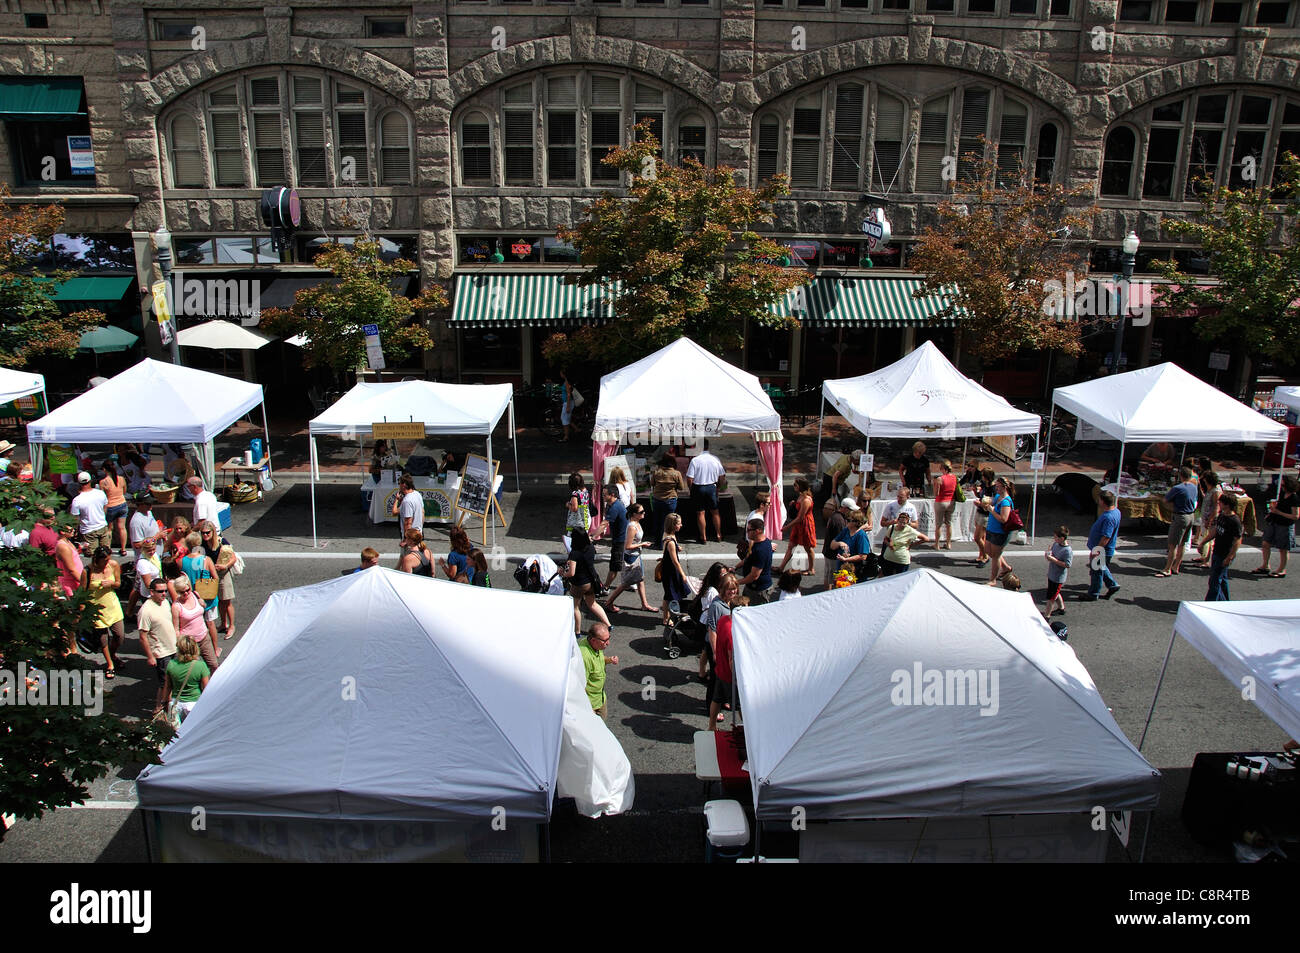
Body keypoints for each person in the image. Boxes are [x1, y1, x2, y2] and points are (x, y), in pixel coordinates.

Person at [138, 575, 179, 715]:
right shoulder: (146, 610)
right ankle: (159, 708)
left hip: (173, 647)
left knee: (172, 681)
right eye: (160, 591)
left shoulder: (165, 603)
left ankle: (168, 706)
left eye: (165, 591)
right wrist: (150, 657)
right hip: (162, 652)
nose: (164, 594)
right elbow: (142, 636)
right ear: (152, 592)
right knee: (165, 683)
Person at [603, 503, 655, 614]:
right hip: (631, 558)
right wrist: (642, 544)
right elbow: (628, 546)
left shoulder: (637, 523)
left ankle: (644, 605)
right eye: (641, 512)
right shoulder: (632, 526)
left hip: (636, 556)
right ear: (634, 514)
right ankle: (608, 603)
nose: (644, 513)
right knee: (626, 583)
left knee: (640, 580)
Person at [81, 547, 124, 677]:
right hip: (96, 608)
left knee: (119, 636)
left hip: (112, 606)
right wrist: (82, 611)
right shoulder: (87, 571)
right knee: (103, 639)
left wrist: (111, 583)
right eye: (105, 560)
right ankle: (110, 664)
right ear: (97, 559)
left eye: (109, 559)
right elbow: (82, 592)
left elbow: (118, 584)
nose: (107, 562)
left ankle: (112, 655)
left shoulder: (114, 565)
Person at [561, 529, 611, 635]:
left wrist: (562, 574)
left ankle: (577, 632)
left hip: (579, 583)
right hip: (591, 580)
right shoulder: (590, 548)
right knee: (592, 604)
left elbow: (571, 573)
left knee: (575, 607)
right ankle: (608, 624)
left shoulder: (575, 553)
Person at [1156, 467, 1200, 577]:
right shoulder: (1194, 487)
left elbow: (1165, 500)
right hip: (1191, 516)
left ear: (1181, 476)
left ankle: (1167, 569)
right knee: (1182, 544)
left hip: (1180, 517)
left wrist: (1172, 507)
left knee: (1173, 545)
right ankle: (1176, 566)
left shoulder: (1177, 488)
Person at [171, 575, 220, 673]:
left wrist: (203, 603)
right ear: (177, 592)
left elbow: (203, 609)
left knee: (214, 665)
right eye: (182, 592)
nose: (186, 593)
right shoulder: (176, 606)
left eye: (187, 590)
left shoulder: (195, 595)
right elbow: (176, 629)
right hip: (190, 643)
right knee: (195, 671)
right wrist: (180, 645)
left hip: (204, 637)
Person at [198, 520, 237, 640]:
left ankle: (231, 626)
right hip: (210, 575)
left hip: (223, 574)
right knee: (219, 600)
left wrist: (225, 566)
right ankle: (223, 623)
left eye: (207, 533)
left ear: (213, 532)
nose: (205, 535)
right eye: (203, 533)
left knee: (227, 600)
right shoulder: (202, 543)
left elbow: (233, 557)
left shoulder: (221, 541)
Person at [1253, 475, 1299, 578]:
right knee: (1265, 543)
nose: (1281, 486)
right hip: (1274, 522)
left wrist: (1279, 512)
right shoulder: (1283, 494)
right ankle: (1265, 565)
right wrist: (1273, 511)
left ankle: (1281, 569)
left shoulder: (1294, 498)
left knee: (1283, 549)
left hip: (1285, 525)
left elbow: (1295, 516)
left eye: (1283, 484)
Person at [1202, 493, 1242, 601]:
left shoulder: (1234, 521)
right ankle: (1224, 601)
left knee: (1214, 580)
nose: (1218, 503)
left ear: (1227, 505)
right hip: (1217, 551)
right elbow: (1215, 531)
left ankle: (1210, 603)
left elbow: (1237, 540)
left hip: (1225, 554)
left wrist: (1230, 557)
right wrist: (1203, 542)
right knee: (1222, 578)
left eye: (1221, 502)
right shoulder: (1222, 515)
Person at [1084, 489, 1122, 601]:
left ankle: (1093, 593)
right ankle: (1112, 585)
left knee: (1096, 572)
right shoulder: (1116, 512)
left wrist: (1097, 551)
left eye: (1099, 499)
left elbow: (1106, 536)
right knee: (1100, 568)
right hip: (1104, 549)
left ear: (1103, 502)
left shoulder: (1108, 517)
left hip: (1102, 549)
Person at [976, 476, 1014, 587]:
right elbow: (989, 502)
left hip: (1000, 532)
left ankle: (992, 580)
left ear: (1004, 487)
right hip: (991, 529)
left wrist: (992, 511)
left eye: (998, 486)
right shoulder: (998, 497)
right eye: (996, 486)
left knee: (996, 556)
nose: (996, 488)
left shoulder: (1006, 502)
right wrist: (982, 503)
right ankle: (1006, 568)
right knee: (989, 551)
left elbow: (1003, 519)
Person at [686, 440, 727, 544]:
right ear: (708, 447)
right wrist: (718, 487)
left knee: (700, 513)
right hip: (711, 487)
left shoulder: (695, 460)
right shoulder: (715, 459)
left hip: (698, 487)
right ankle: (719, 534)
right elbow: (722, 477)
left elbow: (689, 478)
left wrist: (692, 490)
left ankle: (703, 536)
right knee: (715, 512)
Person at [164, 635, 211, 724]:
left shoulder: (171, 664)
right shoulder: (201, 666)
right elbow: (206, 689)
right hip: (194, 704)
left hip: (176, 704)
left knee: (176, 731)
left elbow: (167, 686)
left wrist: (164, 702)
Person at [180, 531, 220, 630]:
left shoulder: (181, 561)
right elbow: (216, 578)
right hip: (207, 596)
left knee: (194, 624)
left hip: (191, 597)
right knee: (210, 624)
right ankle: (214, 646)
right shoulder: (206, 560)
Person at [777, 476, 817, 575]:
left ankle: (811, 569)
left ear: (800, 486)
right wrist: (794, 504)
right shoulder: (801, 496)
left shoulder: (806, 500)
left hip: (804, 525)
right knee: (791, 545)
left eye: (795, 484)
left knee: (808, 548)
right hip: (798, 525)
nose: (793, 486)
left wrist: (787, 527)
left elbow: (800, 518)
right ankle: (781, 568)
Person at [579, 623, 618, 719]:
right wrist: (588, 709)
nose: (608, 643)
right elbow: (580, 685)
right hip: (591, 705)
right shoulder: (584, 658)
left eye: (609, 638)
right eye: (605, 641)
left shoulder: (595, 645)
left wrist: (608, 660)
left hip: (600, 698)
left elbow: (598, 659)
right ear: (593, 640)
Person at [659, 513, 692, 623]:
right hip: (670, 571)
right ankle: (666, 618)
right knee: (669, 594)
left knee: (669, 593)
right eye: (679, 523)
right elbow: (675, 561)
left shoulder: (669, 535)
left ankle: (667, 613)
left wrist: (677, 547)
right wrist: (683, 574)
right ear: (673, 525)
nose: (681, 525)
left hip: (669, 568)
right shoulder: (671, 542)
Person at [648, 454, 686, 546]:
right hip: (670, 500)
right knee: (669, 523)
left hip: (657, 500)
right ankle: (667, 543)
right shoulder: (676, 473)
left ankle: (658, 543)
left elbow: (652, 483)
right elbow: (681, 487)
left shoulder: (657, 472)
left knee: (658, 521)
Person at [735, 517, 774, 605]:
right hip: (751, 587)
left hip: (759, 591)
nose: (746, 532)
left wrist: (737, 582)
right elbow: (748, 558)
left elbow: (754, 576)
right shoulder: (756, 543)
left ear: (758, 531)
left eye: (749, 530)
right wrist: (735, 567)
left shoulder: (761, 550)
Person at [69, 471, 110, 553]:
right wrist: (101, 517)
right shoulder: (100, 493)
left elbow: (75, 518)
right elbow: (105, 507)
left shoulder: (77, 500)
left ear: (79, 483)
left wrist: (76, 531)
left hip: (88, 530)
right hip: (102, 526)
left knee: (93, 555)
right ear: (90, 481)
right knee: (105, 554)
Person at [708, 614, 736, 731]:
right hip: (729, 676)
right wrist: (736, 678)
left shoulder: (724, 620)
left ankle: (712, 726)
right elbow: (731, 660)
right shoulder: (732, 632)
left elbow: (713, 630)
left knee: (716, 699)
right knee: (740, 707)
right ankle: (746, 732)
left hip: (720, 669)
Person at [1191, 469, 1223, 568]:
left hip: (1211, 519)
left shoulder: (1215, 491)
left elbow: (1216, 507)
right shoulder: (1210, 489)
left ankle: (1206, 560)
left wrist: (1210, 520)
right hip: (1206, 517)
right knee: (1205, 537)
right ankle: (1204, 557)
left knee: (1208, 540)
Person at [880, 511, 928, 576]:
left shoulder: (910, 530)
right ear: (898, 520)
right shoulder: (892, 527)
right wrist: (889, 544)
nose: (902, 524)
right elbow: (885, 539)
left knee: (900, 581)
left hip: (901, 561)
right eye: (900, 522)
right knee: (886, 580)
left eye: (904, 523)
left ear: (907, 523)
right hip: (888, 559)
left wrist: (911, 545)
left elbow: (925, 539)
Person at [599, 485, 628, 590]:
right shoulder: (614, 504)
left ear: (612, 495)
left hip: (620, 541)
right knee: (623, 563)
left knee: (614, 566)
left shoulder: (615, 507)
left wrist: (592, 536)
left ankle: (605, 587)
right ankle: (629, 583)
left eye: (604, 494)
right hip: (620, 539)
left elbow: (604, 524)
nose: (602, 496)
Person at [98, 460, 130, 556]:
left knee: (109, 529)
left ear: (104, 469)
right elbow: (124, 491)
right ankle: (123, 549)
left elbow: (102, 497)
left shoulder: (103, 482)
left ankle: (108, 548)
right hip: (122, 504)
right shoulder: (121, 479)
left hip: (111, 506)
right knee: (122, 528)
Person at [127, 536, 162, 618]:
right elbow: (148, 584)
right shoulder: (143, 563)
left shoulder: (154, 556)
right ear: (143, 550)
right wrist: (160, 592)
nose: (152, 552)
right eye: (149, 550)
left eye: (154, 549)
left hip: (158, 590)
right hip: (150, 595)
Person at [823, 497, 854, 588]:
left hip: (828, 551)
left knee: (828, 574)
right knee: (831, 577)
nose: (851, 512)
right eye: (850, 510)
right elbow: (840, 538)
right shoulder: (839, 520)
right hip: (833, 553)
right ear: (844, 508)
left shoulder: (835, 515)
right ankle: (828, 593)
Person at [1043, 525, 1073, 619]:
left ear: (1062, 538)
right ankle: (1061, 608)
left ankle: (1047, 616)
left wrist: (1053, 560)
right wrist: (1048, 554)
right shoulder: (1056, 544)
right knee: (1055, 593)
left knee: (1051, 597)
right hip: (1052, 574)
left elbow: (1067, 565)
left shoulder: (1067, 550)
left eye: (1056, 537)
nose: (1054, 539)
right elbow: (1051, 554)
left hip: (1058, 577)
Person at [932, 460, 958, 550]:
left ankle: (937, 544)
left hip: (941, 502)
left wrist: (934, 483)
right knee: (949, 524)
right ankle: (948, 543)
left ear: (943, 468)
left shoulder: (940, 479)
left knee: (938, 525)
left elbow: (936, 493)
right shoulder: (954, 477)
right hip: (951, 502)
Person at [54, 521, 84, 598]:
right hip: (71, 583)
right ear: (62, 531)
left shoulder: (67, 542)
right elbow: (71, 570)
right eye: (70, 530)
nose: (73, 530)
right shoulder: (63, 547)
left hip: (76, 580)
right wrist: (84, 583)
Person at [128, 494, 164, 558]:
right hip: (146, 559)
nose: (151, 505)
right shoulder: (136, 521)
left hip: (156, 556)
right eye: (148, 503)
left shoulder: (148, 512)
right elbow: (137, 545)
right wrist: (156, 537)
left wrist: (161, 530)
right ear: (140, 504)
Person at [564, 472, 591, 550]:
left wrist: (568, 505)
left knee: (572, 538)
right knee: (583, 536)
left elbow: (574, 508)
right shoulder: (585, 490)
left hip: (577, 519)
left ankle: (574, 555)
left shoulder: (575, 494)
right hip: (586, 516)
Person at [392, 475, 424, 541]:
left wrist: (406, 539)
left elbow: (407, 521)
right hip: (418, 532)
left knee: (409, 551)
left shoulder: (407, 501)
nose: (399, 486)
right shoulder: (417, 494)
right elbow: (423, 512)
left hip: (410, 536)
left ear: (404, 485)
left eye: (399, 483)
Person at [559, 370, 576, 443]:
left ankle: (566, 437)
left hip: (567, 403)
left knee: (565, 419)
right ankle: (576, 429)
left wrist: (568, 406)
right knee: (565, 418)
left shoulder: (567, 383)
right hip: (567, 402)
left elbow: (569, 394)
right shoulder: (567, 382)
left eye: (561, 373)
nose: (560, 374)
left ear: (564, 374)